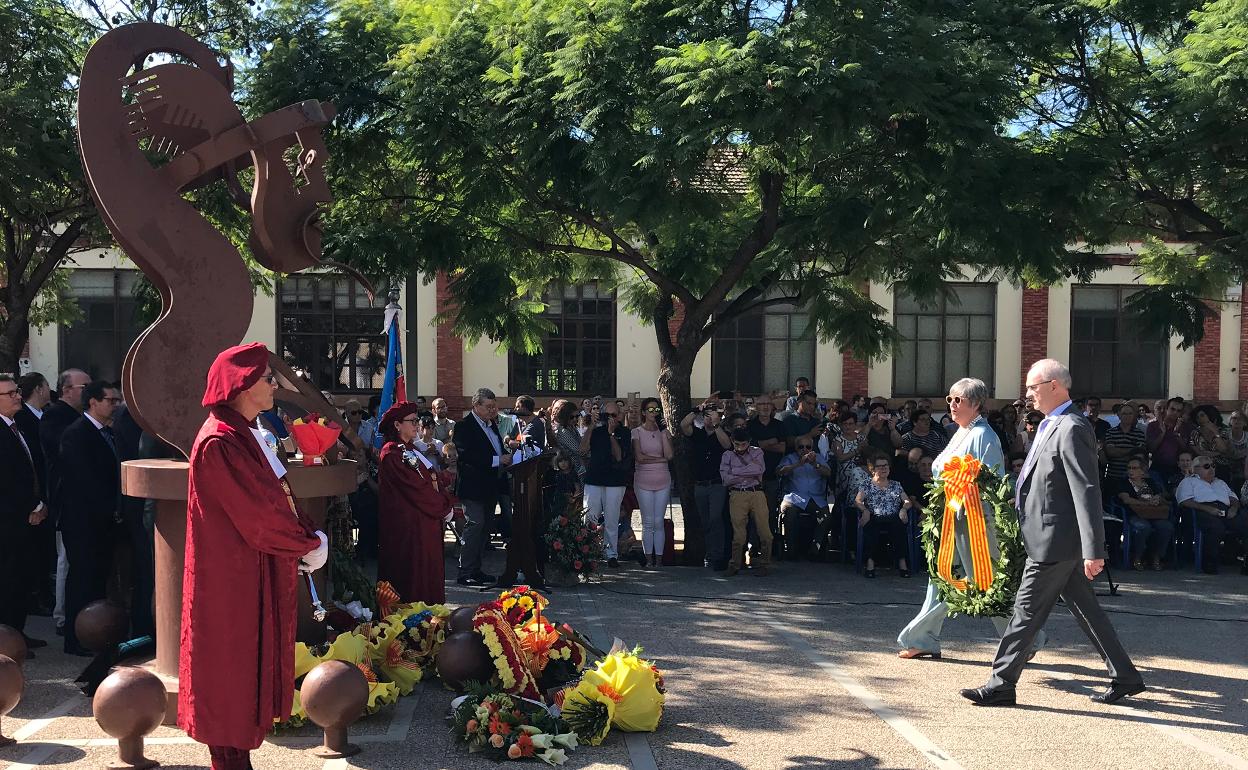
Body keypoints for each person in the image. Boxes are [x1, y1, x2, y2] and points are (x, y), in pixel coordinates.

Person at [962, 359, 1144, 707]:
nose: (1028, 394)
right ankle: (1126, 675)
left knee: (1025, 611)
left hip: (1055, 540)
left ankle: (1001, 684)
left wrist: (1095, 548)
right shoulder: (1050, 424)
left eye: (1033, 387)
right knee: (1087, 609)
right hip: (1049, 536)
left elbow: (1086, 489)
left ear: (1055, 386)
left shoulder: (1072, 426)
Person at [179, 345, 327, 770]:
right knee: (229, 676)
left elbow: (272, 498)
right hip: (229, 584)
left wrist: (305, 537)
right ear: (242, 386)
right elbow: (259, 516)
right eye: (267, 379)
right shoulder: (220, 441)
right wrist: (308, 544)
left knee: (240, 678)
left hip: (245, 574)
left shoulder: (240, 434)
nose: (275, 386)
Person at [897, 377, 1048, 659]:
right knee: (943, 578)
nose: (952, 405)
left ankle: (1026, 639)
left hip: (975, 520)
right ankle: (923, 638)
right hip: (952, 516)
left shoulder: (984, 435)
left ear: (976, 404)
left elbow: (989, 481)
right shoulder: (961, 431)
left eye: (959, 400)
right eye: (950, 399)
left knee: (985, 582)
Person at [57, 380, 123, 657]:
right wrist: (110, 508)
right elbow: (85, 480)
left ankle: (94, 635)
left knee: (97, 579)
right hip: (83, 522)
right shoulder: (77, 434)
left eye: (117, 400)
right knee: (82, 579)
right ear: (93, 402)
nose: (115, 405)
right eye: (110, 400)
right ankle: (75, 638)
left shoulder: (109, 433)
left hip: (103, 523)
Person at [377, 401, 455, 603]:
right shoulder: (391, 453)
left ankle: (431, 617)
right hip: (409, 527)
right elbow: (415, 489)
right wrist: (444, 507)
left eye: (416, 420)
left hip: (424, 523)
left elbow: (430, 479)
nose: (417, 425)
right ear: (396, 425)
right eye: (411, 421)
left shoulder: (411, 449)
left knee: (428, 573)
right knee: (413, 576)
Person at [40, 367, 90, 636]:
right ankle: (62, 616)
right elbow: (60, 449)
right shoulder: (54, 416)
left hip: (77, 502)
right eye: (84, 388)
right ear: (66, 390)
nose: (89, 393)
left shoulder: (76, 416)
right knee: (66, 561)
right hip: (65, 501)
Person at [0, 373, 48, 652]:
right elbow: (6, 481)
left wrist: (39, 503)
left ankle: (17, 633)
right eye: (9, 394)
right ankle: (8, 642)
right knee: (9, 581)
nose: (18, 396)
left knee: (20, 580)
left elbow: (28, 471)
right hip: (9, 521)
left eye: (16, 391)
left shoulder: (15, 427)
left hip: (25, 518)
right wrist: (30, 508)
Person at [452, 388, 511, 587]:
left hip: (491, 485)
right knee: (475, 524)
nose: (492, 410)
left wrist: (507, 457)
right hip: (472, 486)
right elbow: (467, 455)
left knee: (485, 528)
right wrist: (497, 459)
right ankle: (464, 571)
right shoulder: (463, 426)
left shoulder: (492, 425)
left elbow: (497, 448)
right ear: (475, 406)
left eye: (494, 406)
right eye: (488, 407)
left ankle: (476, 569)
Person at [15, 372, 53, 616]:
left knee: (43, 550)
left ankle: (40, 592)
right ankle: (34, 596)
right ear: (39, 388)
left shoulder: (46, 416)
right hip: (30, 498)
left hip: (44, 493)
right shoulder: (22, 419)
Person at [580, 399, 632, 567]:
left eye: (613, 415)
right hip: (594, 479)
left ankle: (611, 554)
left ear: (619, 416)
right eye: (606, 414)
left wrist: (610, 434)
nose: (610, 418)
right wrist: (592, 427)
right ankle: (587, 553)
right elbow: (582, 449)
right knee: (590, 517)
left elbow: (618, 456)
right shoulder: (595, 430)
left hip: (615, 481)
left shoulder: (624, 432)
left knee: (611, 519)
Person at [681, 399, 731, 570]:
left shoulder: (721, 433)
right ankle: (709, 554)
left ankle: (718, 555)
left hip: (717, 484)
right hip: (700, 484)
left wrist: (717, 425)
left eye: (713, 416)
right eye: (707, 416)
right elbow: (684, 425)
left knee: (716, 518)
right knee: (705, 521)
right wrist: (697, 410)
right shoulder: (698, 433)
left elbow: (727, 445)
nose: (709, 419)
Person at [1178, 455, 1248, 575]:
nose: (1211, 469)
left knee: (1245, 523)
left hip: (1224, 509)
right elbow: (1184, 501)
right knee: (1216, 527)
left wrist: (1234, 508)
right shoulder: (1188, 481)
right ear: (1195, 469)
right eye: (1207, 466)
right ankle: (1209, 562)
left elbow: (1233, 497)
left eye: (1213, 466)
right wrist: (1207, 509)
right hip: (1203, 510)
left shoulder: (1220, 482)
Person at [720, 428, 771, 576]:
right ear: (732, 442)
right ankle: (735, 564)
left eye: (743, 444)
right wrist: (748, 472)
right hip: (737, 495)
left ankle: (764, 564)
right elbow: (725, 480)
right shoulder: (727, 455)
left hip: (757, 493)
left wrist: (735, 471)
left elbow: (760, 469)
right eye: (736, 444)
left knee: (765, 532)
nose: (740, 448)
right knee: (738, 534)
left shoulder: (757, 452)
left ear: (749, 443)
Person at [854, 455, 912, 578]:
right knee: (871, 527)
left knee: (899, 526)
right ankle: (870, 564)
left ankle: (902, 564)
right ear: (873, 469)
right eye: (879, 466)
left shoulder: (896, 485)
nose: (883, 468)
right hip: (874, 515)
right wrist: (865, 510)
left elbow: (907, 501)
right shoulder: (866, 484)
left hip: (893, 516)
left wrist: (903, 509)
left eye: (885, 465)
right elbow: (858, 501)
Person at [632, 398, 673, 568]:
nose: (653, 413)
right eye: (649, 409)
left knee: (658, 521)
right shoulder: (636, 432)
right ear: (643, 412)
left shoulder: (664, 431)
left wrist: (664, 433)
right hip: (643, 480)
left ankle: (659, 559)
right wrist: (659, 459)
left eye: (656, 410)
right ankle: (648, 559)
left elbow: (670, 455)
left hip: (663, 479)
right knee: (648, 521)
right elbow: (639, 458)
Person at [1113, 456, 1173, 571]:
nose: (1131, 471)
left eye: (1134, 468)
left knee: (1166, 527)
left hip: (1154, 513)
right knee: (1143, 527)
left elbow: (1160, 496)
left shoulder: (1150, 482)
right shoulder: (1123, 482)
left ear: (1142, 470)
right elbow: (1126, 499)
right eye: (1129, 468)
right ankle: (1137, 557)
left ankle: (1156, 557)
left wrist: (1157, 499)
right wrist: (1146, 503)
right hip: (1134, 513)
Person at [776, 437, 833, 559]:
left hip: (815, 497)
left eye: (808, 447)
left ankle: (815, 550)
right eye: (801, 447)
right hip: (794, 497)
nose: (804, 450)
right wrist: (798, 464)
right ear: (796, 448)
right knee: (789, 513)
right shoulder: (790, 458)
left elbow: (828, 473)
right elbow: (779, 471)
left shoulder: (818, 457)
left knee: (826, 517)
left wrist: (815, 464)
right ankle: (791, 551)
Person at [748, 399, 788, 521]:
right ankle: (754, 540)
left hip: (773, 475)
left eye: (768, 404)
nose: (765, 406)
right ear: (756, 407)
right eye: (761, 403)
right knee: (752, 512)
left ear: (772, 407)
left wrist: (759, 444)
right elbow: (748, 449)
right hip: (752, 477)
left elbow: (782, 448)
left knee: (770, 512)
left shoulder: (779, 425)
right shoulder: (749, 425)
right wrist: (771, 441)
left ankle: (770, 539)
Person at [1145, 397, 1189, 481]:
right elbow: (1151, 449)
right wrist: (1162, 433)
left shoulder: (1184, 427)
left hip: (1177, 469)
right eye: (1172, 409)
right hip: (1157, 467)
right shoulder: (1153, 425)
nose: (1175, 412)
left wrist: (1177, 434)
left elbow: (1186, 450)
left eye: (1178, 411)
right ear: (1166, 409)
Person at [1187, 405, 1232, 482]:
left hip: (1222, 467)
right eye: (1197, 416)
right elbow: (1199, 452)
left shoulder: (1224, 431)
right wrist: (1219, 453)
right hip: (1203, 468)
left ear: (1210, 415)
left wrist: (1215, 433)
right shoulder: (1195, 433)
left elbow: (1224, 449)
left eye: (1202, 415)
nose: (1199, 418)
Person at [551, 399, 586, 480]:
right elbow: (580, 450)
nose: (575, 419)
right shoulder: (564, 431)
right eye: (571, 417)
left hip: (578, 468)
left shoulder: (572, 428)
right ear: (565, 416)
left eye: (577, 416)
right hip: (572, 470)